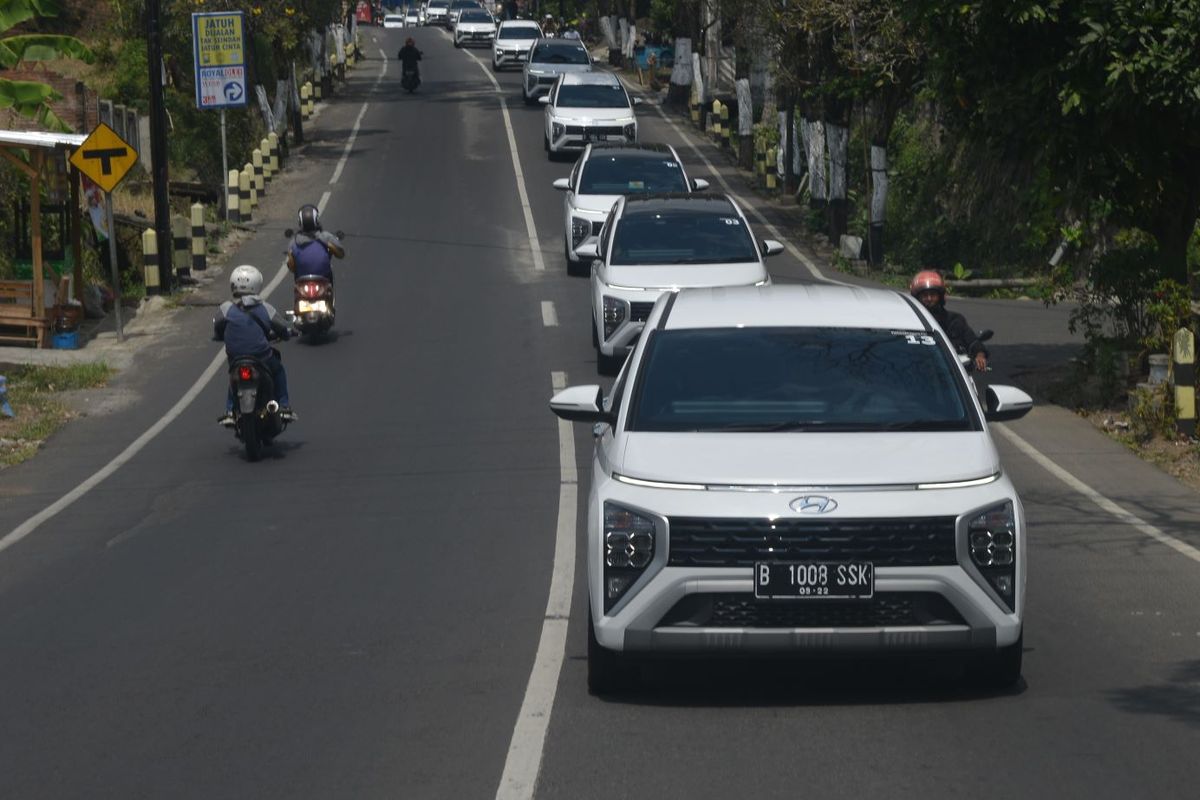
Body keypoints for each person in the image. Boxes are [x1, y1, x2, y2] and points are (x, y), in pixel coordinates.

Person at [214, 265, 296, 426]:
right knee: (278, 370)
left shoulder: (225, 309)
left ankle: (230, 410)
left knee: (233, 378)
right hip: (261, 357)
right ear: (257, 284)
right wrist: (289, 333)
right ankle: (284, 406)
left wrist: (220, 336)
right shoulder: (265, 308)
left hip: (236, 358)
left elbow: (217, 328)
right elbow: (283, 328)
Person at [910, 269, 989, 371]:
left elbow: (973, 342)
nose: (929, 299)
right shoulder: (909, 322)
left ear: (940, 296)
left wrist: (980, 355)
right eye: (925, 295)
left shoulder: (955, 321)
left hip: (953, 374)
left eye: (933, 295)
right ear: (917, 298)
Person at [287, 204, 344, 283]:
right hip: (324, 279)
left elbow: (291, 267)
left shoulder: (294, 242)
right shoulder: (325, 236)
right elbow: (341, 255)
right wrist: (330, 246)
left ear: (300, 222)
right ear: (316, 220)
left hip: (302, 281)